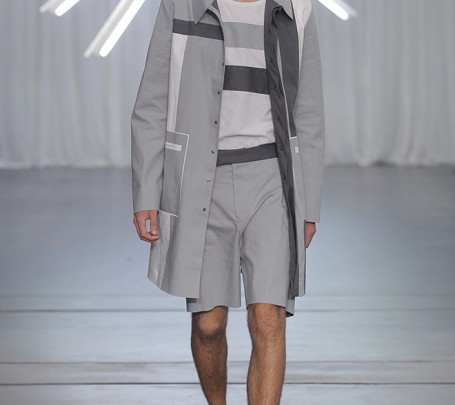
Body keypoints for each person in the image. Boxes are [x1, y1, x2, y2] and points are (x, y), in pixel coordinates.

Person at [131, 0, 325, 403]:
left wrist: (309, 203)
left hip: (273, 177)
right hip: (201, 179)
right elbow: (152, 101)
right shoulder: (183, 6)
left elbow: (308, 110)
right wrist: (147, 190)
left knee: (269, 317)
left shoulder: (296, 10)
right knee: (209, 324)